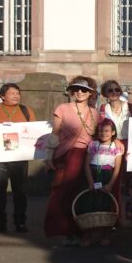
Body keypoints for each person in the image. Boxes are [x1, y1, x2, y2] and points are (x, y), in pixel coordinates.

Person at [44, 77, 101, 247]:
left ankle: (82, 230)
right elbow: (55, 134)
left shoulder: (95, 113)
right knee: (64, 192)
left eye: (83, 90)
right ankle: (65, 230)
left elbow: (99, 135)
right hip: (67, 153)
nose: (79, 93)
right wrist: (48, 157)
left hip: (88, 155)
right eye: (76, 89)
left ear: (90, 93)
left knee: (82, 193)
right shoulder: (63, 108)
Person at [0, 83, 35, 233]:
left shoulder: (26, 111)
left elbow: (33, 131)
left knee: (20, 190)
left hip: (19, 157)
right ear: (2, 96)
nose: (16, 95)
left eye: (18, 93)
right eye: (12, 93)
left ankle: (20, 222)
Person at [82, 118, 124, 247]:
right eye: (100, 131)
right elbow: (86, 165)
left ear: (112, 132)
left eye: (106, 131)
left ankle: (105, 234)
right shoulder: (93, 144)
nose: (103, 133)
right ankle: (87, 234)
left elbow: (117, 168)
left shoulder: (117, 147)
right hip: (93, 174)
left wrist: (110, 184)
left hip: (107, 175)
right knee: (89, 205)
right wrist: (90, 181)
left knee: (105, 205)